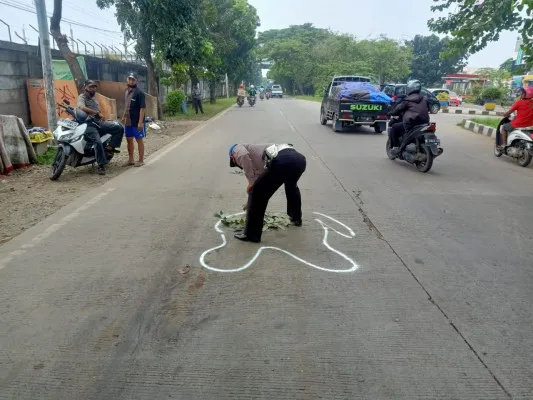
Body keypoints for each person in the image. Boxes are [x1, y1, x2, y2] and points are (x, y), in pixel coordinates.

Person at [229, 143, 307, 243]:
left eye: (236, 163)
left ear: (232, 156)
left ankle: (252, 235)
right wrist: (250, 201)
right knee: (291, 187)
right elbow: (259, 181)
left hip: (282, 160)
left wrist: (251, 184)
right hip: (299, 160)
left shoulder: (236, 148)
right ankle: (296, 218)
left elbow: (243, 156)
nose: (239, 165)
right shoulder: (257, 156)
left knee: (258, 194)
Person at [77, 80, 123, 175]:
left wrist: (100, 115)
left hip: (99, 122)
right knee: (97, 141)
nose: (93, 89)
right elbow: (81, 107)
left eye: (94, 87)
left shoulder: (94, 98)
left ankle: (109, 148)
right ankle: (101, 166)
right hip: (89, 124)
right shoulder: (82, 97)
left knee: (119, 128)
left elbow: (98, 111)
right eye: (91, 87)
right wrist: (96, 113)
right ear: (85, 87)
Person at [388, 80, 430, 151]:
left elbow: (397, 110)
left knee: (394, 127)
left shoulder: (407, 100)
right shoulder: (425, 99)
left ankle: (395, 147)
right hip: (424, 123)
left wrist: (390, 113)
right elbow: (427, 109)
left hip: (411, 124)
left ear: (409, 89)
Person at [121, 72, 146, 167]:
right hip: (128, 121)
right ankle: (131, 159)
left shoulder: (140, 93)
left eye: (133, 80)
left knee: (139, 139)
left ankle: (141, 160)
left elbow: (142, 108)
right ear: (127, 80)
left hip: (137, 121)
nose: (131, 81)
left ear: (136, 81)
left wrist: (140, 123)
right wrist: (123, 116)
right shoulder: (126, 91)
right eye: (129, 79)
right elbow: (126, 106)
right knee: (129, 139)